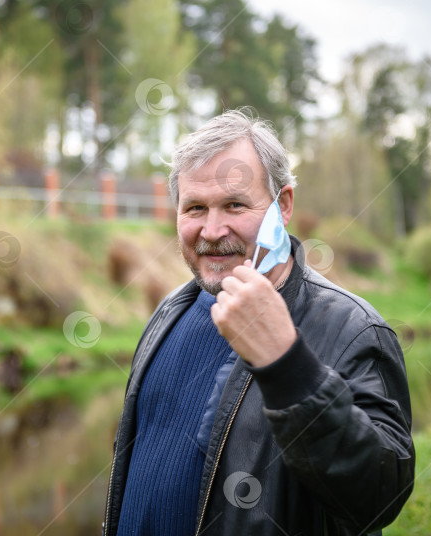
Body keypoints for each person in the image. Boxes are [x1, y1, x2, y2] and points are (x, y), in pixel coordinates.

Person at [102, 109, 415, 536]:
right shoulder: (169, 311)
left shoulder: (353, 330)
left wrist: (287, 366)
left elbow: (381, 497)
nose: (211, 230)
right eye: (195, 208)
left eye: (234, 204)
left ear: (283, 205)